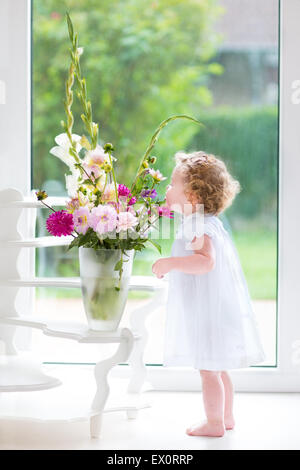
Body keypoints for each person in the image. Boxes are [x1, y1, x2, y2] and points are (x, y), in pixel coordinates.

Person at [152, 150, 266, 437]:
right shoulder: (203, 221)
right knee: (218, 366)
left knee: (207, 369)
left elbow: (205, 261)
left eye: (173, 184)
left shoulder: (198, 225)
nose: (167, 188)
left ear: (191, 196)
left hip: (209, 314)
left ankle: (214, 423)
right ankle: (226, 417)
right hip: (215, 310)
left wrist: (171, 263)